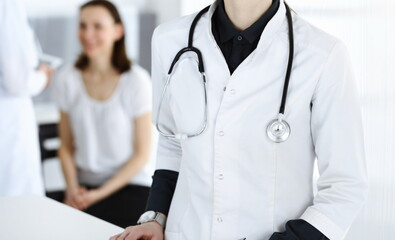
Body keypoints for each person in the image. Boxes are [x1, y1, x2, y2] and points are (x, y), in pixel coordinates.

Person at [111, 0, 368, 239]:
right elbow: (173, 142)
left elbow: (345, 186)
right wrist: (155, 217)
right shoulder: (169, 39)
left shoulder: (322, 54)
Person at [55, 0, 154, 228]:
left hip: (130, 186)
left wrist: (98, 194)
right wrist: (72, 188)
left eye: (98, 26)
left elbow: (142, 155)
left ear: (118, 31)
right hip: (82, 186)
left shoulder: (136, 81)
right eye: (83, 26)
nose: (88, 34)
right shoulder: (67, 79)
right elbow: (66, 147)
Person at [0, 0, 54, 198]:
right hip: (3, 130)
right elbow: (18, 80)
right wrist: (42, 76)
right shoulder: (3, 4)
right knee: (13, 211)